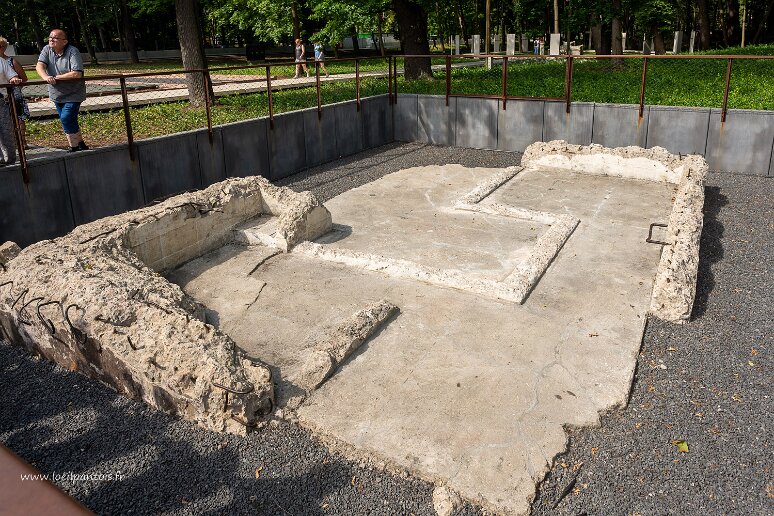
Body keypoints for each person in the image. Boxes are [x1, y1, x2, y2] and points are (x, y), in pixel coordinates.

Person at [36, 28, 89, 152]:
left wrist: (56, 77)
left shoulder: (72, 51)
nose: (51, 39)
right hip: (57, 94)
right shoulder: (46, 49)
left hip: (74, 93)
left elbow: (76, 74)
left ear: (64, 41)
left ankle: (73, 147)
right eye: (50, 37)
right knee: (70, 119)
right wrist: (46, 77)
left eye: (55, 38)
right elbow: (40, 65)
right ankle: (81, 143)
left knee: (65, 118)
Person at [0, 37, 29, 150]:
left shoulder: (11, 61)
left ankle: (22, 142)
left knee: (18, 118)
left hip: (13, 94)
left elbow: (23, 78)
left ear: (3, 48)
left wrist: (15, 84)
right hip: (3, 95)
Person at [0, 44, 22, 165]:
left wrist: (14, 79)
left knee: (6, 131)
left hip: (2, 101)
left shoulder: (1, 61)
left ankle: (11, 160)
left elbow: (12, 75)